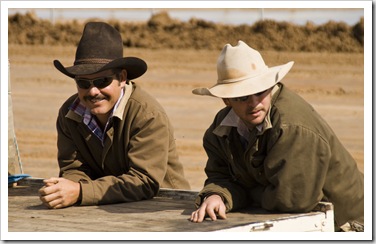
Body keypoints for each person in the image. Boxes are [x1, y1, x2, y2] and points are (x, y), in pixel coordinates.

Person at [189, 40, 364, 231]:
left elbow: (293, 200)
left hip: (350, 224)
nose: (254, 103)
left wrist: (246, 192)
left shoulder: (292, 126)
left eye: (260, 92)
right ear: (226, 100)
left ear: (271, 87)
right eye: (242, 97)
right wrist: (217, 195)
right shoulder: (220, 129)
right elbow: (220, 176)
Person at [38, 22, 190, 209]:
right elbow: (73, 169)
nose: (93, 91)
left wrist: (80, 192)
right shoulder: (69, 113)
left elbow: (144, 181)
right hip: (106, 208)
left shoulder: (147, 115)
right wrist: (68, 188)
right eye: (83, 83)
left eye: (102, 81)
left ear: (122, 78)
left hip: (163, 207)